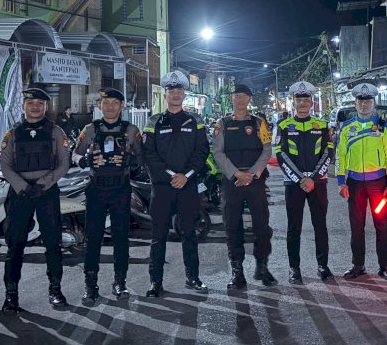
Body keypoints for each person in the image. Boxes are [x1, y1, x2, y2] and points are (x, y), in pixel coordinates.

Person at [0, 88, 71, 313]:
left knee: (53, 243)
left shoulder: (56, 132)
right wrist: (22, 187)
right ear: (23, 106)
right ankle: (11, 295)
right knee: (15, 245)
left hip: (46, 193)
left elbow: (63, 164)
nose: (35, 107)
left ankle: (55, 290)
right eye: (31, 103)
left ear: (46, 107)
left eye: (40, 103)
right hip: (20, 195)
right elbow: (5, 165)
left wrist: (43, 184)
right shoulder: (13, 134)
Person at [142, 71, 210, 297]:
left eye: (179, 90)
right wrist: (173, 174)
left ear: (184, 94)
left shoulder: (195, 120)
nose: (175, 94)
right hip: (162, 187)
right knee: (158, 236)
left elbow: (202, 152)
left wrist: (186, 175)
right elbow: (149, 154)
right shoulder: (154, 121)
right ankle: (155, 281)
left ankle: (193, 277)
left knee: (189, 233)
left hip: (188, 185)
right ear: (166, 94)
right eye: (171, 91)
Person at [73, 88, 143, 304]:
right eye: (106, 102)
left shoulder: (131, 130)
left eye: (115, 102)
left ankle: (120, 282)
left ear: (122, 106)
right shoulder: (90, 129)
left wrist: (132, 162)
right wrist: (83, 160)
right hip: (96, 190)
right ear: (99, 106)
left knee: (121, 238)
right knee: (93, 239)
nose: (110, 106)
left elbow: (141, 159)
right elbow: (74, 154)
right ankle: (90, 285)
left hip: (121, 190)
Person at [213, 83, 275, 288]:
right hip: (233, 182)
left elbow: (267, 149)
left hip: (255, 181)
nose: (240, 99)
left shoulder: (259, 123)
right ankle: (237, 271)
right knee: (232, 226)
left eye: (244, 96)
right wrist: (236, 173)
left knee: (262, 226)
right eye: (236, 96)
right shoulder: (222, 124)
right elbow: (218, 153)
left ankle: (262, 266)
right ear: (232, 99)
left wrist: (252, 173)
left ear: (249, 99)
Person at [336, 83, 387, 281]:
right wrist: (341, 181)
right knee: (356, 226)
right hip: (354, 185)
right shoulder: (346, 128)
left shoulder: (382, 127)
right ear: (355, 103)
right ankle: (358, 265)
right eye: (361, 101)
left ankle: (385, 266)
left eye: (368, 101)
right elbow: (340, 156)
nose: (364, 105)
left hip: (378, 184)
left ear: (374, 103)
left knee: (382, 225)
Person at [274, 81, 334, 283]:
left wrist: (313, 178)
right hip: (294, 184)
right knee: (294, 227)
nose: (302, 103)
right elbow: (281, 155)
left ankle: (323, 265)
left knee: (320, 226)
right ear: (294, 101)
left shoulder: (322, 125)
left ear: (311, 102)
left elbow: (328, 153)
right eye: (299, 99)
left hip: (318, 183)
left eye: (305, 99)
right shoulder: (283, 126)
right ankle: (294, 268)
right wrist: (301, 179)